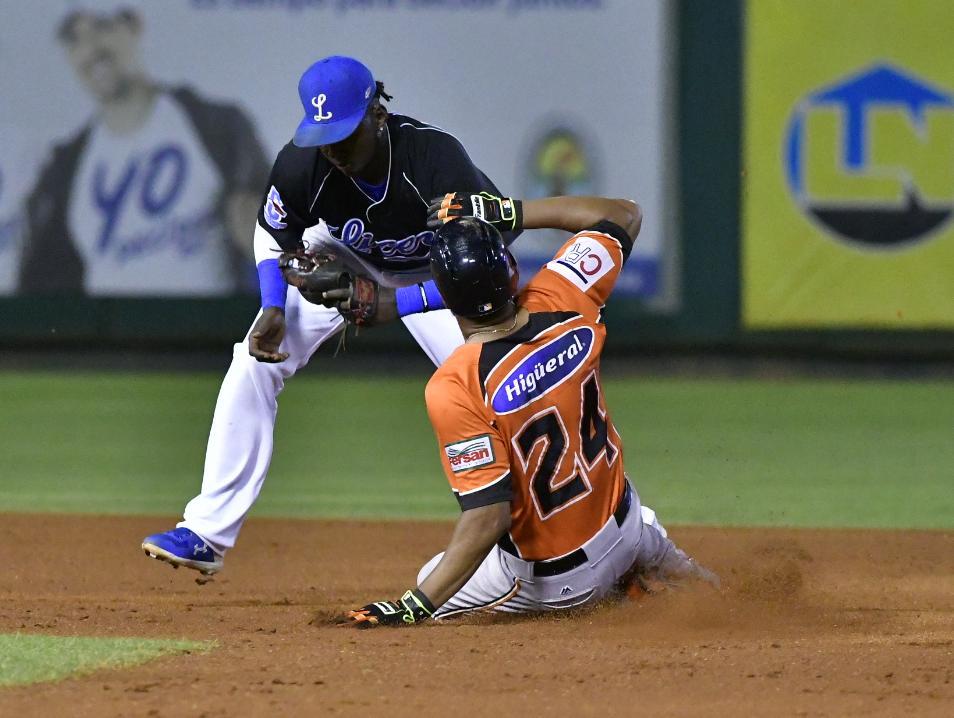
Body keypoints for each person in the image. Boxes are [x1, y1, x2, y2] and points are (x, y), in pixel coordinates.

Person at [141, 55, 520, 576]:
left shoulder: (434, 159)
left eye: (345, 134)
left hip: (443, 273)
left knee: (509, 383)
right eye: (324, 136)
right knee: (253, 361)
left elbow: (491, 255)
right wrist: (272, 304)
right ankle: (206, 533)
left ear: (377, 116)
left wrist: (398, 302)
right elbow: (272, 233)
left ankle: (573, 528)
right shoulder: (303, 165)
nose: (334, 150)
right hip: (346, 256)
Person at [342, 193, 718, 625]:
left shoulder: (456, 384)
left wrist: (415, 604)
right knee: (723, 601)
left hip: (561, 583)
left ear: (443, 296)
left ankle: (613, 593)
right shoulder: (564, 292)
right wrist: (506, 211)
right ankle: (646, 577)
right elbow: (624, 214)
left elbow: (488, 516)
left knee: (432, 575)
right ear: (512, 270)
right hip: (632, 531)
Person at [20, 6, 268, 295]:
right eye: (74, 39)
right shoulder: (63, 172)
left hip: (212, 334)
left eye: (102, 27)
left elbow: (276, 230)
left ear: (133, 27)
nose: (90, 49)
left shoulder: (217, 127)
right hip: (112, 339)